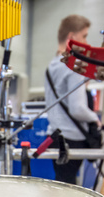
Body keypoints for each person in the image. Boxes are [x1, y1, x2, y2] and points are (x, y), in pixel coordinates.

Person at [44, 15, 102, 184]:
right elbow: (77, 109)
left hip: (54, 137)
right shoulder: (73, 66)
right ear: (71, 37)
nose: (86, 41)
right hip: (72, 139)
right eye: (84, 35)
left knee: (62, 185)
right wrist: (94, 119)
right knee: (69, 189)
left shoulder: (52, 65)